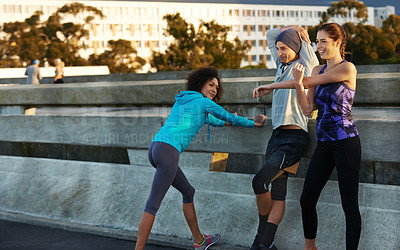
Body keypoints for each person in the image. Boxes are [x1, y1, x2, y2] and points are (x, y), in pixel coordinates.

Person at [255, 23, 361, 250]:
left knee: (349, 206)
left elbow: (309, 82)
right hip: (324, 143)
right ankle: (309, 247)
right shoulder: (316, 70)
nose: (318, 46)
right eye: (316, 41)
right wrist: (299, 86)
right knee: (306, 200)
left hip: (346, 142)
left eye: (323, 41)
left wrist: (273, 85)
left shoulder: (347, 68)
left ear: (338, 43)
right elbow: (306, 108)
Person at [135, 67, 266, 250]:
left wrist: (229, 120)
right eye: (210, 84)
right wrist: (255, 123)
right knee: (152, 206)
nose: (214, 89)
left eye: (216, 87)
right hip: (168, 152)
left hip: (156, 148)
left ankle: (199, 240)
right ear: (200, 83)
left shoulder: (183, 101)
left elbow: (217, 121)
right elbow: (227, 116)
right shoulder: (204, 103)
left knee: (188, 192)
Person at [250, 25, 319, 250]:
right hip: (276, 136)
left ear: (296, 47)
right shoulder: (281, 66)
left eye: (285, 48)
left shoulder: (305, 63)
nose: (279, 52)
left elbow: (302, 45)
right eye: (278, 49)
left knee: (259, 181)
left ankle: (261, 237)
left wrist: (298, 31)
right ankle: (266, 243)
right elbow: (270, 35)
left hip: (294, 137)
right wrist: (287, 29)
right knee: (278, 196)